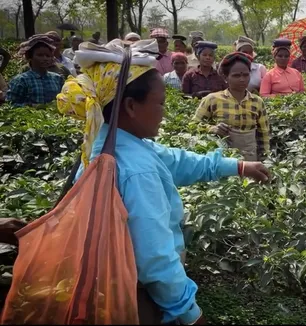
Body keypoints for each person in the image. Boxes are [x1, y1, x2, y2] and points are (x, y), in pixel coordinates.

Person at [56, 38, 270, 325]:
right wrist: (191, 314)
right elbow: (155, 261)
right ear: (131, 106)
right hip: (135, 296)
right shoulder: (136, 170)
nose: (164, 113)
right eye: (160, 104)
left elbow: (175, 160)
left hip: (104, 283)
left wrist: (239, 166)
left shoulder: (109, 143)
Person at [195, 52, 271, 161]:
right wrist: (212, 128)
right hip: (223, 158)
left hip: (250, 157)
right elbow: (194, 125)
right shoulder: (212, 99)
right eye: (236, 75)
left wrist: (264, 159)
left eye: (245, 75)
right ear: (225, 77)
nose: (242, 79)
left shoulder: (257, 101)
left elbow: (263, 133)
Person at [7, 35, 65, 107]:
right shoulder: (21, 80)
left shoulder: (57, 79)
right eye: (40, 55)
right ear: (30, 57)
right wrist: (31, 106)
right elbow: (10, 104)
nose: (45, 58)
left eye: (48, 56)